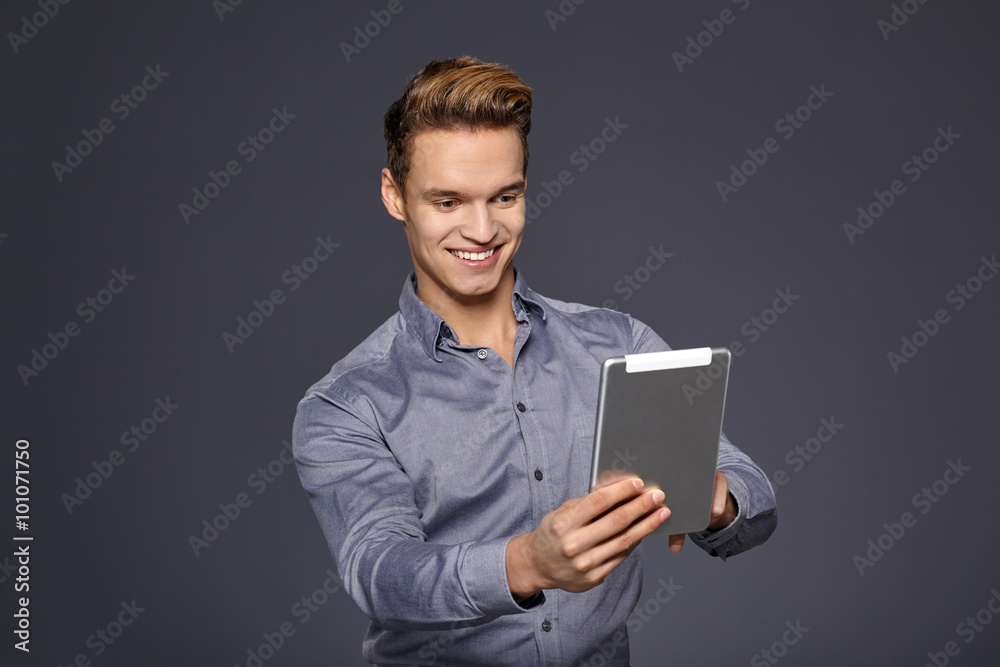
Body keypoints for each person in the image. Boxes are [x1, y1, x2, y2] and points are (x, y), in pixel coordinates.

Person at [293, 56, 777, 666]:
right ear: (395, 196)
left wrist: (710, 496)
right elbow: (380, 573)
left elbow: (755, 502)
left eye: (505, 196)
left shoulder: (619, 344)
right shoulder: (348, 402)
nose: (482, 228)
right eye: (447, 202)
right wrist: (527, 563)